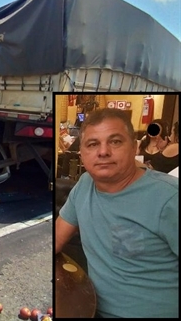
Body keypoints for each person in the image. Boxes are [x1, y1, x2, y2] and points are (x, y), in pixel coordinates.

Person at [55, 108, 178, 318]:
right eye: (93, 144)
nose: (103, 152)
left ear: (134, 147)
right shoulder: (85, 185)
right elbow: (56, 239)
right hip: (90, 309)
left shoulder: (169, 198)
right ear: (81, 153)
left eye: (115, 142)